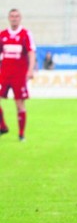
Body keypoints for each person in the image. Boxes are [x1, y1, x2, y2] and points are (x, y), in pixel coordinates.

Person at [0, 8, 36, 141]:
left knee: (19, 103)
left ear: (20, 18)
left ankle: (21, 134)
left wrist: (30, 70)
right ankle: (2, 126)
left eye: (16, 16)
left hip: (19, 75)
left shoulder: (25, 34)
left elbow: (31, 52)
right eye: (12, 16)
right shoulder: (2, 34)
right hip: (4, 73)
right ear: (9, 18)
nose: (14, 18)